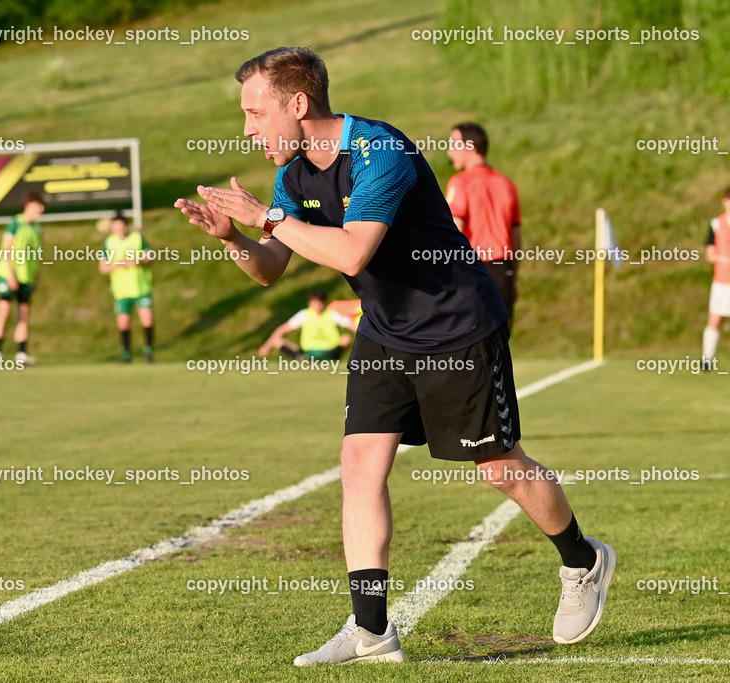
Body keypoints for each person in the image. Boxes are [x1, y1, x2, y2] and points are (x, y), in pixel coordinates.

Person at [175, 46, 614, 666]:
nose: (247, 129)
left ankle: (582, 560)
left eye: (254, 112)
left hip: (456, 327)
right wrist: (235, 239)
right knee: (359, 465)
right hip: (384, 330)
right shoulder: (293, 175)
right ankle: (371, 630)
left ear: (297, 104)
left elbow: (352, 252)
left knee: (498, 468)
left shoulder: (381, 151)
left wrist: (267, 218)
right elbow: (272, 267)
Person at [446, 122, 522, 326]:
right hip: (503, 269)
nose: (449, 152)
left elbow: (454, 231)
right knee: (501, 336)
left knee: (470, 335)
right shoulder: (507, 184)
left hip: (473, 268)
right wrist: (513, 278)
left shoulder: (460, 183)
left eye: (453, 144)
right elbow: (516, 239)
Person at [0, 193, 45, 364]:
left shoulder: (37, 228)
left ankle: (21, 354)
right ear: (28, 205)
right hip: (9, 275)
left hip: (26, 277)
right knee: (4, 312)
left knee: (23, 314)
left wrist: (35, 276)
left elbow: (36, 254)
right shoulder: (16, 223)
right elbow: (6, 250)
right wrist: (10, 275)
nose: (41, 209)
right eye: (38, 205)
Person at [99, 212, 155, 363]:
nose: (120, 229)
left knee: (147, 320)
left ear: (126, 226)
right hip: (121, 290)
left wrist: (139, 260)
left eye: (122, 226)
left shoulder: (137, 237)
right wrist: (119, 264)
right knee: (124, 322)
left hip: (141, 287)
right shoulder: (109, 242)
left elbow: (150, 256)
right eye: (117, 227)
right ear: (112, 228)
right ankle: (127, 353)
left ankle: (149, 351)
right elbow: (103, 267)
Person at [258, 289, 356, 360]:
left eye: (319, 303)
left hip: (329, 350)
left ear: (324, 303)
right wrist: (267, 346)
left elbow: (352, 325)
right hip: (308, 352)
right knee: (277, 341)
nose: (316, 306)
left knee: (346, 338)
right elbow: (282, 329)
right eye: (314, 303)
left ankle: (325, 359)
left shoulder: (332, 314)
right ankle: (304, 359)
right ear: (309, 303)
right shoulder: (304, 314)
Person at [702, 187, 730, 370]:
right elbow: (710, 254)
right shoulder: (716, 224)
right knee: (715, 319)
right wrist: (725, 259)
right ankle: (707, 359)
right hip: (722, 280)